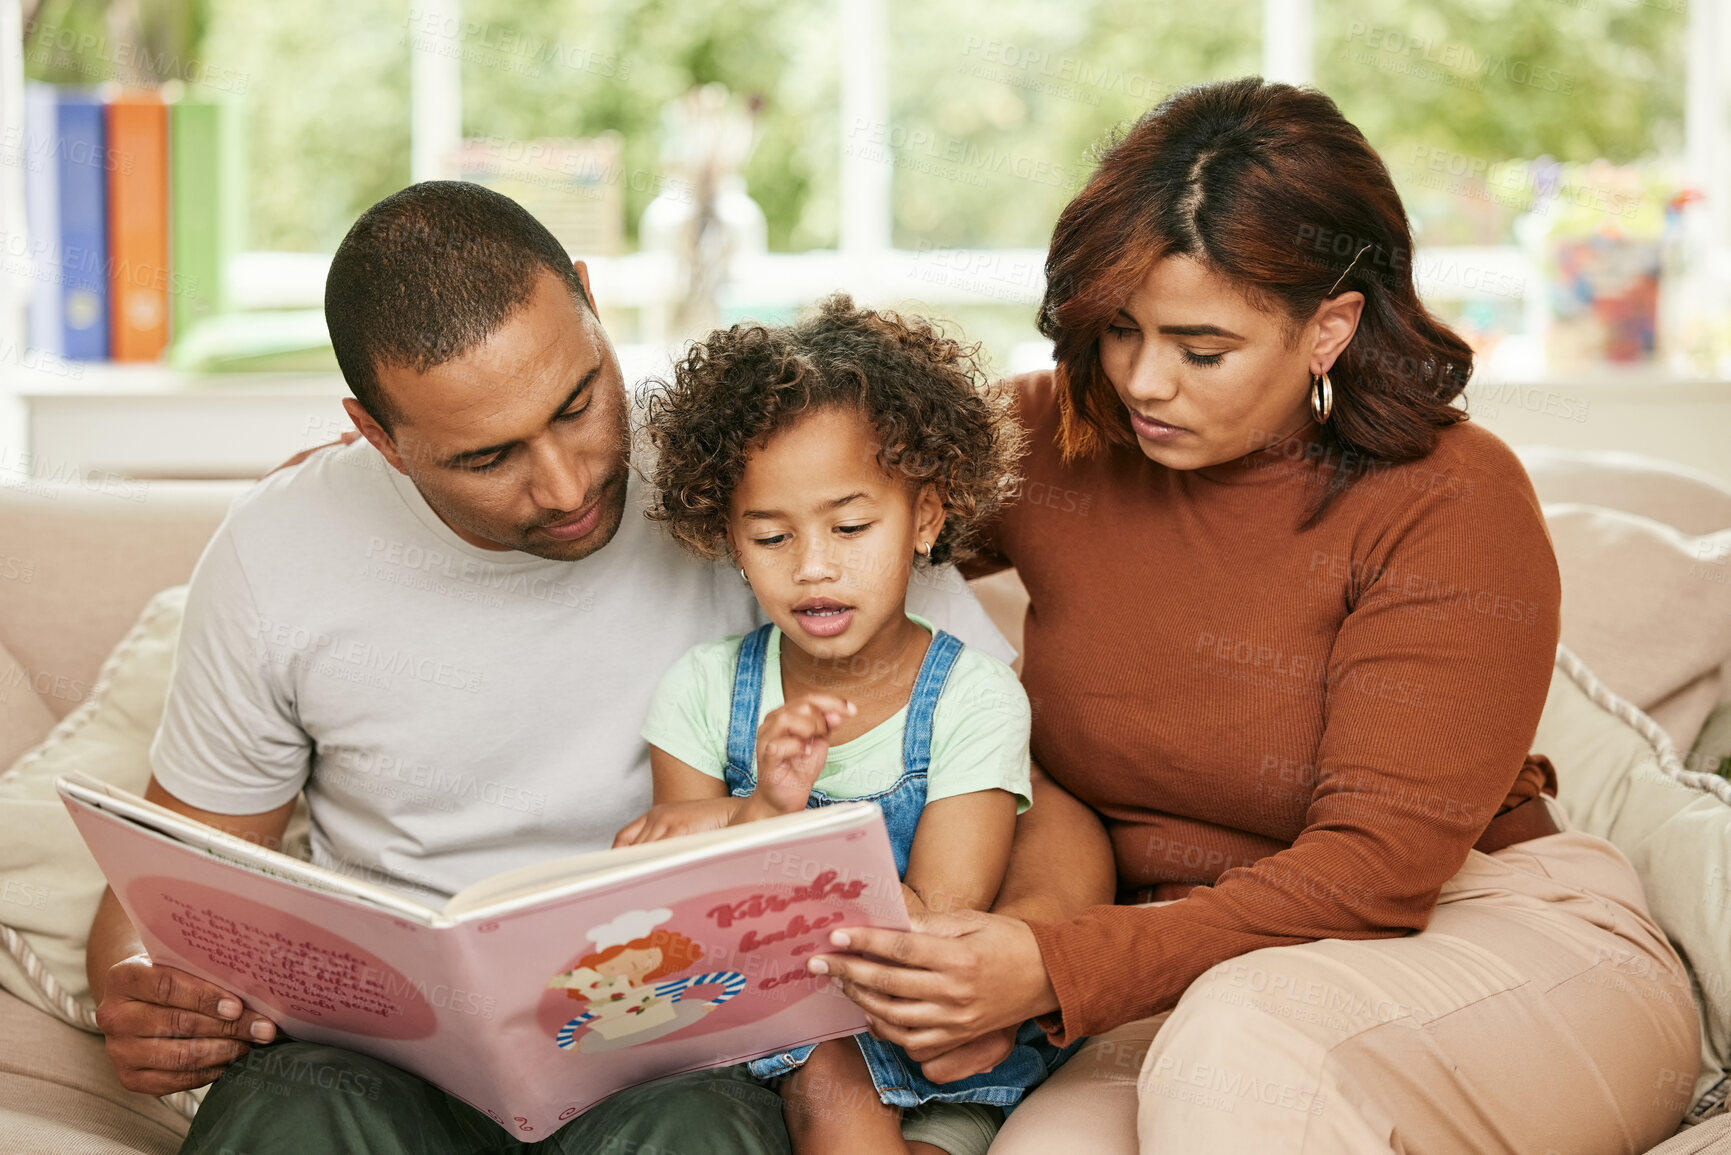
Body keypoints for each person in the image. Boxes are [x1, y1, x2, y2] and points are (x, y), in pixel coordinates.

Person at [807, 78, 1700, 1153]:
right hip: (1183, 976)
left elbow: (1374, 876)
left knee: (1241, 1055)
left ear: (1329, 328)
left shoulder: (1452, 498)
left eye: (1201, 349)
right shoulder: (1057, 437)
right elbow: (819, 511)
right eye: (1118, 329)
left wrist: (1054, 967)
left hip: (1495, 939)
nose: (1143, 382)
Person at [82, 181, 1048, 1155]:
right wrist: (141, 984)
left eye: (580, 403)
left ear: (590, 300)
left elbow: (1021, 786)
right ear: (379, 436)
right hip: (389, 1062)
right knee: (293, 1111)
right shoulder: (276, 553)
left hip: (678, 1046)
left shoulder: (760, 467)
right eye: (487, 458)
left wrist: (1024, 956)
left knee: (694, 1129)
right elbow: (175, 874)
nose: (568, 482)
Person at [616, 297, 1072, 1154]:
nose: (814, 565)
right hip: (761, 1041)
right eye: (770, 535)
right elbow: (676, 894)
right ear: (729, 538)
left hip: (930, 1043)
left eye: (851, 525)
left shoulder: (973, 698)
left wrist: (792, 834)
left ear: (926, 518)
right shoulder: (702, 690)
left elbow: (932, 919)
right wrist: (759, 812)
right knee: (824, 1075)